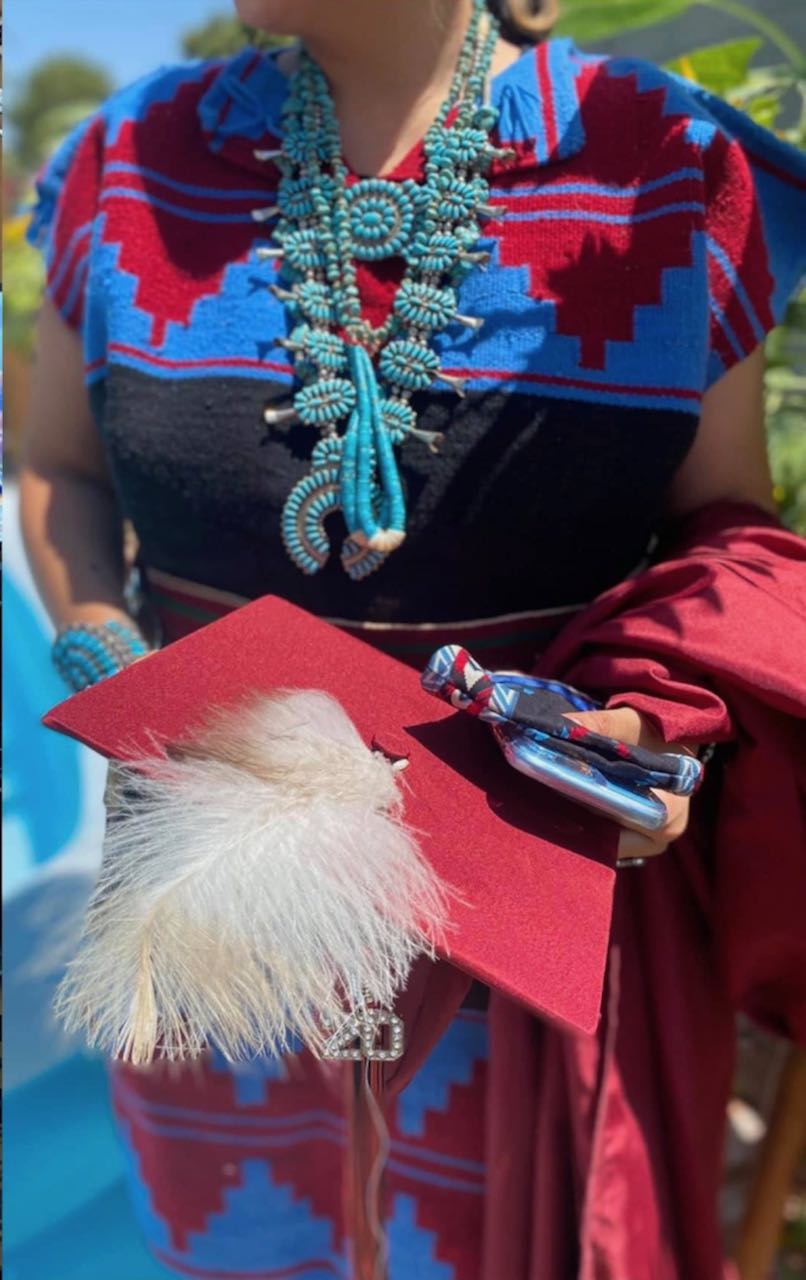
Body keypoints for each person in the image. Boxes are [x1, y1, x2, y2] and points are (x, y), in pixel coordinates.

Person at [20, 0, 806, 1276]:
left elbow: (723, 530)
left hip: (510, 944)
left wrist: (640, 724)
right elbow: (59, 469)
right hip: (206, 920)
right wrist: (110, 660)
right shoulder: (125, 164)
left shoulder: (658, 161)